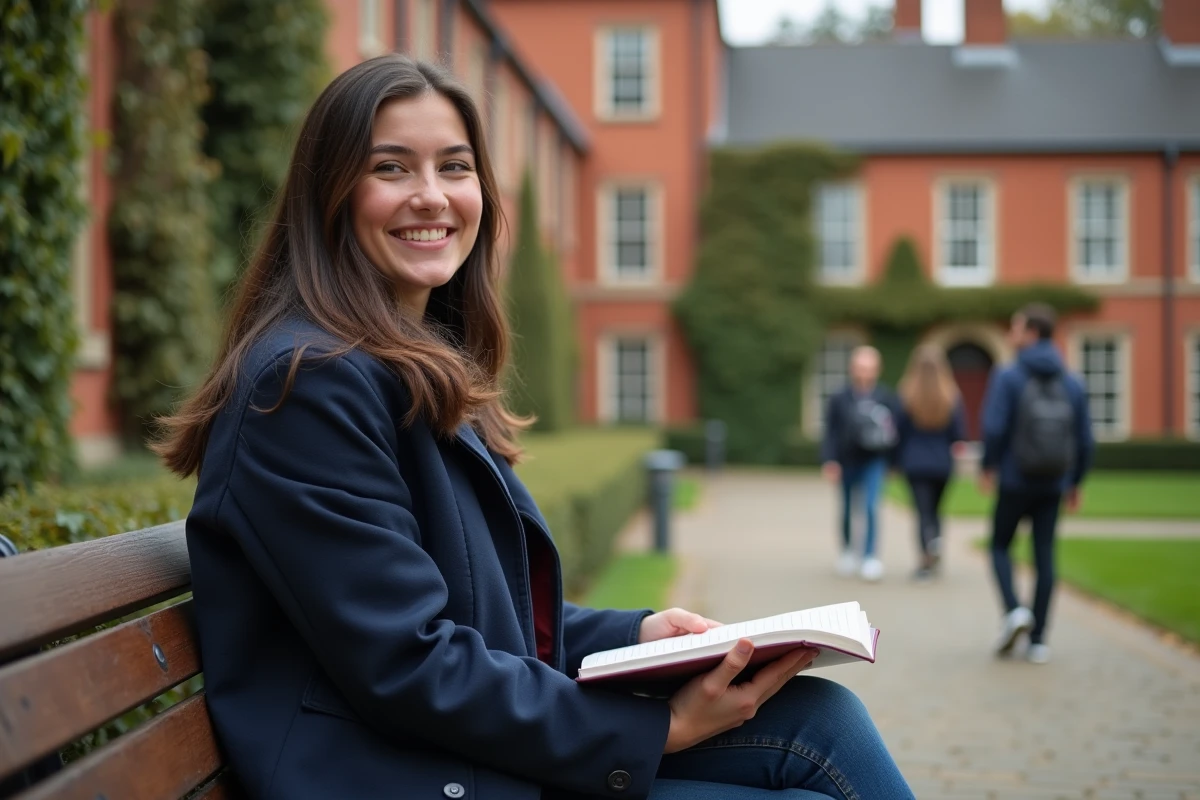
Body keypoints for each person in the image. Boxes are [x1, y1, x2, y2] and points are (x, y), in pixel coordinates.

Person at [153, 55, 913, 799]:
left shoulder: (414, 366)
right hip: (400, 770)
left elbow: (492, 620)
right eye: (391, 169)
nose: (432, 196)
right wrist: (658, 732)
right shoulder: (306, 387)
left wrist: (641, 633)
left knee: (823, 721)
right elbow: (408, 663)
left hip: (462, 751)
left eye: (454, 167)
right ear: (331, 195)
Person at [979, 303, 1093, 665]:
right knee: (1045, 557)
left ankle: (1014, 611)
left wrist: (988, 465)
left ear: (1030, 333)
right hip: (1053, 482)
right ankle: (1039, 640)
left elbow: (994, 427)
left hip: (1015, 479)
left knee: (999, 545)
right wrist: (1075, 481)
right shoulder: (1072, 380)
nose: (1012, 335)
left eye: (1015, 328)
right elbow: (1085, 438)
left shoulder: (1009, 376)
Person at [820, 346, 900, 582]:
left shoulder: (886, 396)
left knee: (871, 507)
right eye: (860, 368)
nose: (864, 373)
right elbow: (830, 431)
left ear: (877, 370)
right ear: (852, 369)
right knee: (846, 508)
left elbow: (894, 432)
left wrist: (893, 463)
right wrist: (829, 460)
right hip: (846, 461)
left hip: (874, 461)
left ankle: (870, 556)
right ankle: (847, 550)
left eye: (869, 368)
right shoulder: (839, 397)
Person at [895, 345, 967, 581]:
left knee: (922, 512)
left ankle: (925, 557)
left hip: (914, 462)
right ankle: (935, 544)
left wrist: (895, 461)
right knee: (936, 511)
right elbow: (958, 433)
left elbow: (898, 432)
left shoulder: (906, 394)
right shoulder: (950, 395)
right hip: (941, 462)